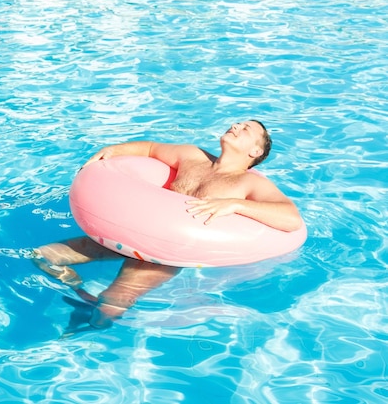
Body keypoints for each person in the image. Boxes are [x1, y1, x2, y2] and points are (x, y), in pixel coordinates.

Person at [32, 120, 303, 330]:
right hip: (130, 233)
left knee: (109, 306)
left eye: (245, 129)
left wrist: (236, 205)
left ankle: (77, 339)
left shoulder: (250, 184)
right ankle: (73, 286)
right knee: (43, 256)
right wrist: (111, 151)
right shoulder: (193, 156)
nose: (235, 126)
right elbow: (149, 149)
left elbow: (290, 218)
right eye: (237, 123)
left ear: (255, 151)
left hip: (163, 256)